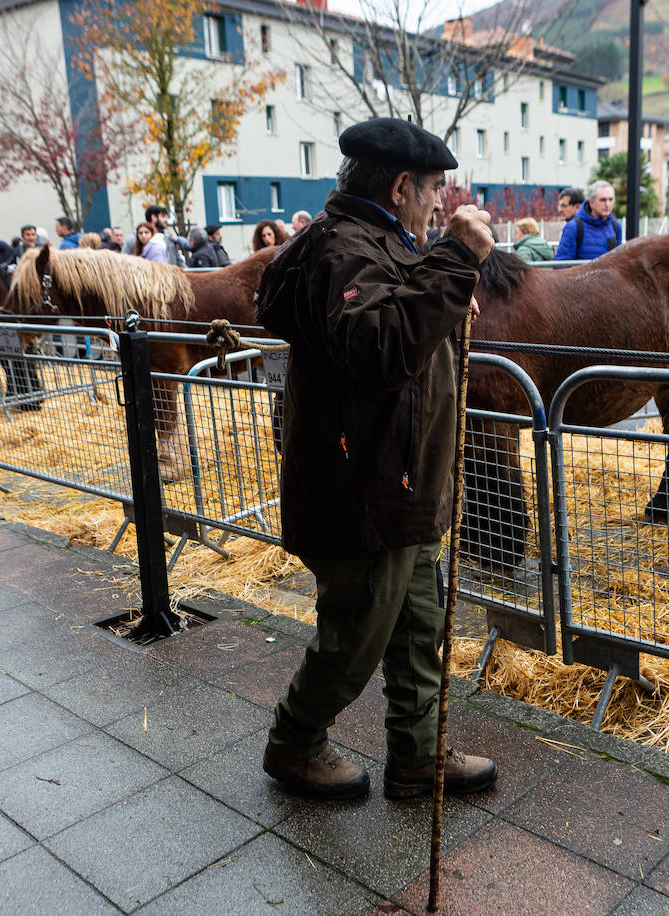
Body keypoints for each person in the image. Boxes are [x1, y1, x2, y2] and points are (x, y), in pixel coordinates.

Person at [254, 116, 498, 801]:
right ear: (399, 187)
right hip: (364, 493)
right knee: (355, 637)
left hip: (400, 488)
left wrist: (436, 277)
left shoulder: (376, 242)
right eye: (434, 191)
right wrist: (454, 262)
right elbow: (380, 347)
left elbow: (393, 306)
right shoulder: (342, 249)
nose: (440, 205)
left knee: (420, 628)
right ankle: (294, 743)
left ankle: (419, 756)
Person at [554, 181, 621, 262]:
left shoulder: (616, 226)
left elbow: (619, 262)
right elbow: (561, 264)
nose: (607, 204)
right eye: (603, 200)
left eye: (610, 199)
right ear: (591, 203)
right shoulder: (573, 227)